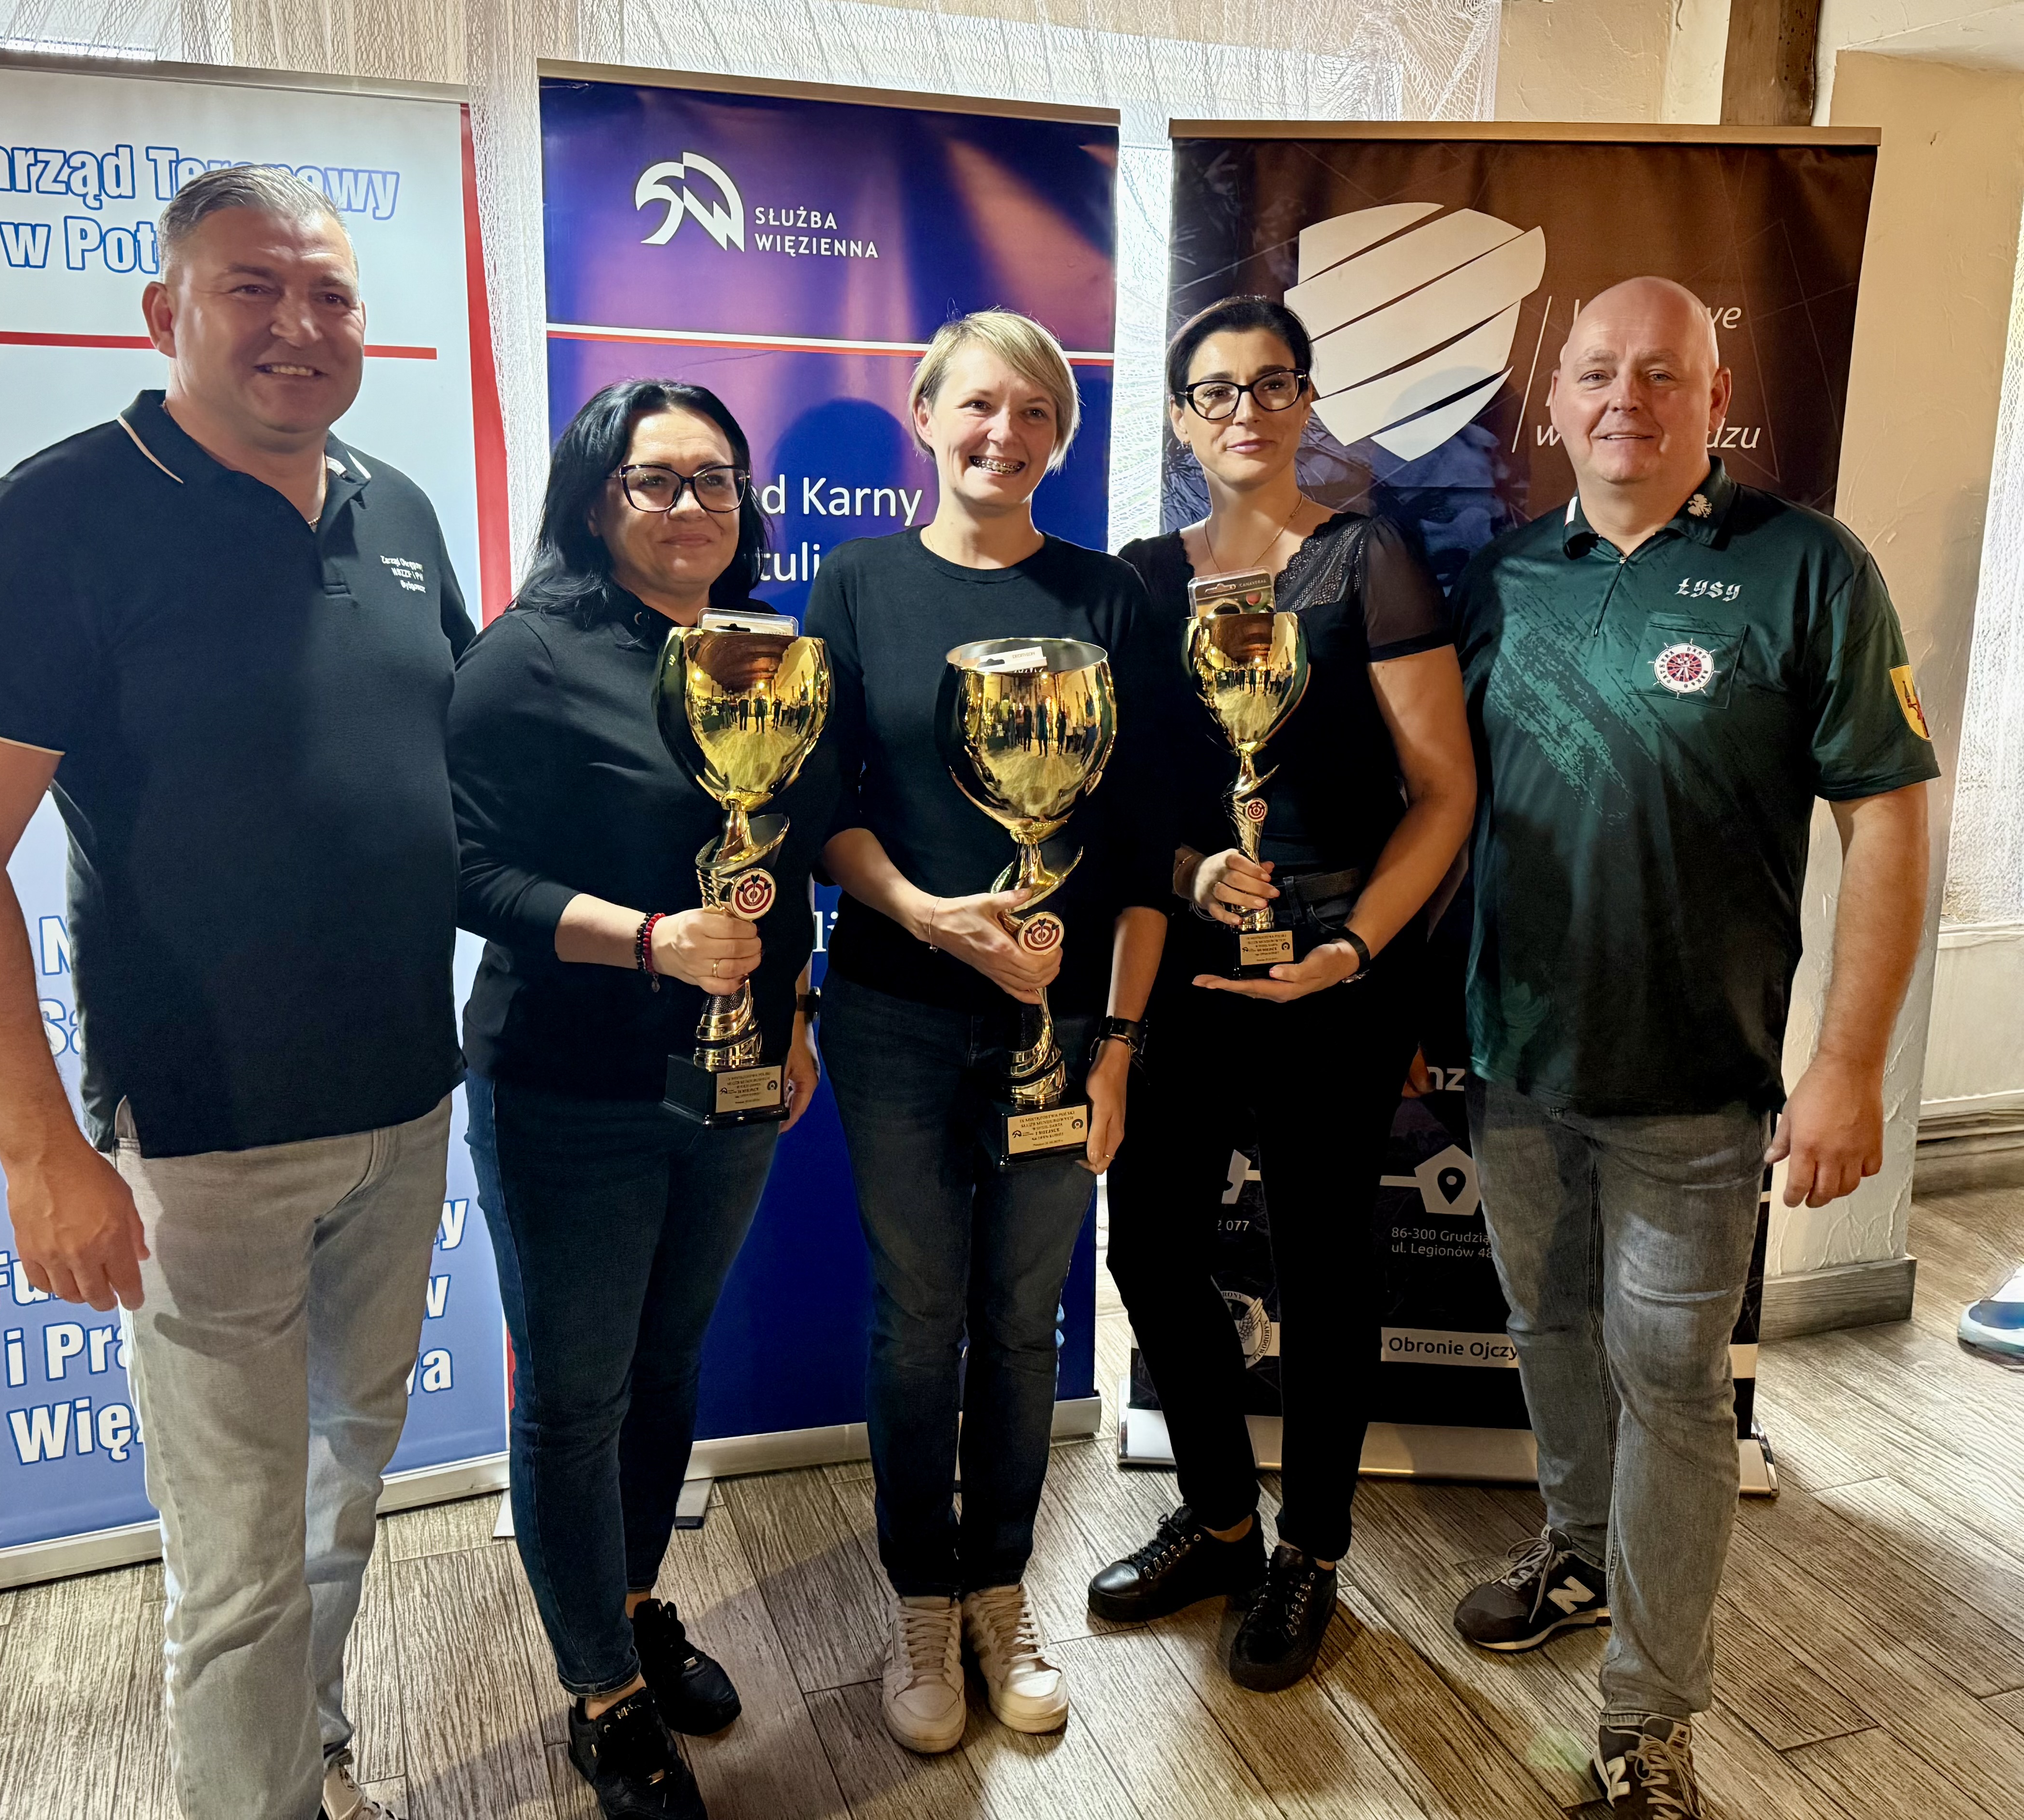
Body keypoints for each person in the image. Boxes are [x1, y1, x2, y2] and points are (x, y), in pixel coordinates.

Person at [0, 168, 472, 1820]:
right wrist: (40, 1154)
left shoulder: (397, 508)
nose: (298, 326)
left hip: (403, 1109)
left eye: (330, 295)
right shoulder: (58, 518)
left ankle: (312, 1750)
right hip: (206, 1137)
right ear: (166, 313)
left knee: (344, 1490)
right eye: (252, 289)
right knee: (237, 1563)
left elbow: (448, 776)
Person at [1448, 277, 1937, 1820]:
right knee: (1547, 1334)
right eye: (1596, 372)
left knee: (1671, 1391)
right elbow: (1442, 809)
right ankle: (1578, 1553)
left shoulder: (1808, 568)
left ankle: (1646, 1719)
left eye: (1661, 374)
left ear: (1714, 398)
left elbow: (1887, 825)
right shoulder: (1500, 574)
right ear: (1553, 402)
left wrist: (1845, 1065)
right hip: (1515, 1066)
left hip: (1700, 1092)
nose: (1624, 399)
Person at [450, 379, 834, 1820]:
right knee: (574, 1397)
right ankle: (603, 1698)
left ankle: (629, 1600)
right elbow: (466, 870)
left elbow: (783, 858)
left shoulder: (763, 651)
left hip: (729, 1079)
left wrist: (792, 1013)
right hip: (571, 1086)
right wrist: (648, 939)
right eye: (653, 480)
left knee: (667, 1367)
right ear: (595, 496)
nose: (689, 506)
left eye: (714, 479)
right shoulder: (527, 657)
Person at [1085, 295, 1476, 1688]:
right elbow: (1116, 802)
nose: (1244, 410)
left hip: (1337, 976)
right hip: (1183, 963)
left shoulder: (1369, 559)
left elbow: (1444, 792)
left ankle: (1311, 1550)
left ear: (1307, 401)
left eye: (1270, 384)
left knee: (1320, 1268)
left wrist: (1357, 947)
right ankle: (1218, 1521)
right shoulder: (1139, 582)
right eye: (1215, 390)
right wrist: (1191, 873)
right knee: (1148, 1249)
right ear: (1180, 419)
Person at [809, 309, 1173, 1753]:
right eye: (976, 406)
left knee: (1026, 1324)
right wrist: (921, 911)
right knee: (918, 1323)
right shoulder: (855, 584)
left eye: (1033, 414)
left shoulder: (1107, 597)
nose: (1001, 435)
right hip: (895, 1015)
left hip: (1062, 1029)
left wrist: (1119, 1044)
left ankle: (1000, 1590)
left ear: (1060, 438)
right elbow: (817, 807)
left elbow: (1140, 849)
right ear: (924, 415)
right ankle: (920, 1599)